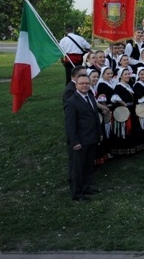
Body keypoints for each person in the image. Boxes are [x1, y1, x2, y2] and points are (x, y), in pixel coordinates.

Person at [64, 74, 103, 202]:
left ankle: (86, 187)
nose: (85, 85)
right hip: (80, 141)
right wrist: (74, 141)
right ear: (76, 85)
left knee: (88, 166)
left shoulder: (91, 97)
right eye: (82, 83)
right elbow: (70, 124)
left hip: (92, 138)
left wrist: (100, 133)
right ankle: (77, 194)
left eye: (87, 83)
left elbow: (95, 117)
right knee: (78, 168)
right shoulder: (71, 101)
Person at [110, 68, 141, 156]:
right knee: (126, 129)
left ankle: (132, 148)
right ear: (121, 76)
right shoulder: (119, 86)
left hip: (131, 109)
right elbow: (114, 97)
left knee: (132, 129)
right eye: (125, 74)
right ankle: (124, 149)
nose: (128, 76)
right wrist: (124, 104)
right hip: (125, 110)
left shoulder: (129, 85)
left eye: (128, 74)